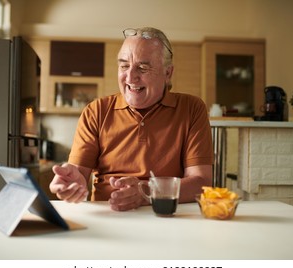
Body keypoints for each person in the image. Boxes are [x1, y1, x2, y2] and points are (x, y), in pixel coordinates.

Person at [49, 27, 214, 211]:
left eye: (143, 68)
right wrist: (72, 182)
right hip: (108, 214)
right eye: (124, 65)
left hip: (164, 215)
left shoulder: (191, 108)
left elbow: (201, 182)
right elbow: (79, 172)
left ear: (168, 73)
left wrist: (146, 192)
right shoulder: (96, 111)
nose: (130, 77)